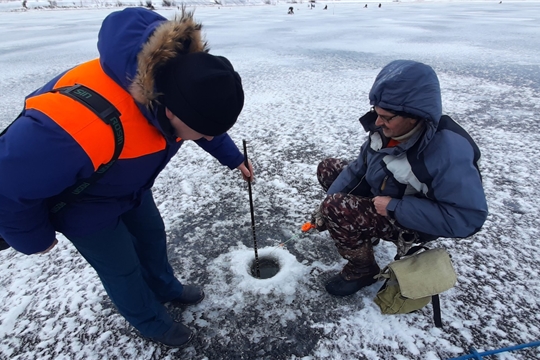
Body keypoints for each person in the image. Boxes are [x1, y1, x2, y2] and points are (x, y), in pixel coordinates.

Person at [0, 7, 253, 347]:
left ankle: (165, 287)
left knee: (151, 235)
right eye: (199, 132)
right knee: (122, 267)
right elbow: (7, 184)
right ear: (170, 110)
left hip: (127, 183)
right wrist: (34, 240)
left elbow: (205, 123)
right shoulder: (76, 128)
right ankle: (150, 321)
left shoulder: (180, 84)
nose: (203, 137)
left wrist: (232, 157)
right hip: (83, 205)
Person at [311, 60, 488, 297]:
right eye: (377, 112)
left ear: (415, 116)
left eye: (386, 117)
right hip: (387, 193)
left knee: (338, 208)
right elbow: (358, 169)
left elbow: (467, 219)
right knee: (329, 169)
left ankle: (363, 270)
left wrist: (394, 208)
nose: (377, 122)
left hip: (412, 219)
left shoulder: (447, 153)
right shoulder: (387, 129)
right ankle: (363, 232)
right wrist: (324, 207)